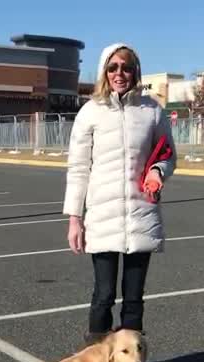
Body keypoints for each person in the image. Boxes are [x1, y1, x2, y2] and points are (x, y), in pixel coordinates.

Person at [62, 43, 177, 345]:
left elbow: (167, 154)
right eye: (113, 67)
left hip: (141, 215)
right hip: (102, 217)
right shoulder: (90, 112)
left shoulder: (152, 110)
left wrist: (158, 171)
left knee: (135, 298)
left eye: (126, 67)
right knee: (103, 295)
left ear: (135, 71)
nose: (119, 73)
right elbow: (78, 168)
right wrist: (75, 218)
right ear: (104, 71)